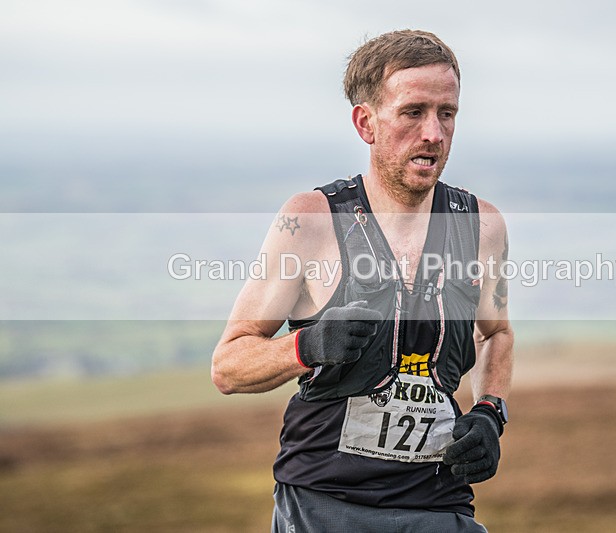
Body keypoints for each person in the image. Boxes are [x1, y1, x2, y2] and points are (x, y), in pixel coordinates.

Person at [211, 29, 513, 532]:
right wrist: (307, 345)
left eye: (447, 113)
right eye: (413, 112)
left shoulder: (481, 225)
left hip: (439, 503)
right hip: (324, 503)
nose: (434, 133)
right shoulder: (311, 220)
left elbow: (495, 333)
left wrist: (489, 411)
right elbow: (228, 366)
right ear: (366, 122)